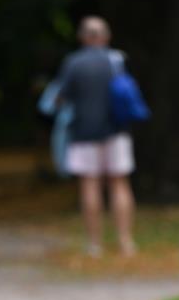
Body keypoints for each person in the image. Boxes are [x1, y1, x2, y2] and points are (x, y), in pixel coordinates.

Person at [56, 16, 137, 257]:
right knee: (120, 183)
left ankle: (94, 244)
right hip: (116, 130)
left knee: (90, 185)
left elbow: (61, 98)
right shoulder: (117, 60)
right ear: (106, 36)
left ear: (82, 37)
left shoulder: (73, 63)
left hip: (83, 132)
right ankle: (125, 241)